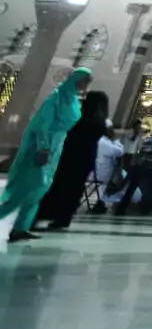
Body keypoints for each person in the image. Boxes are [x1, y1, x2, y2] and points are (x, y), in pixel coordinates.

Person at [1, 68, 92, 241]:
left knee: (38, 191)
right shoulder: (55, 98)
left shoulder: (72, 100)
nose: (84, 85)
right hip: (40, 148)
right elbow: (43, 124)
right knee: (23, 190)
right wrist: (43, 147)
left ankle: (20, 228)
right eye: (84, 81)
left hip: (55, 147)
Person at [36, 89, 111, 231]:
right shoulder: (101, 121)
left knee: (58, 186)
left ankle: (44, 214)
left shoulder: (80, 117)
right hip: (86, 157)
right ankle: (64, 217)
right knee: (74, 189)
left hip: (70, 155)